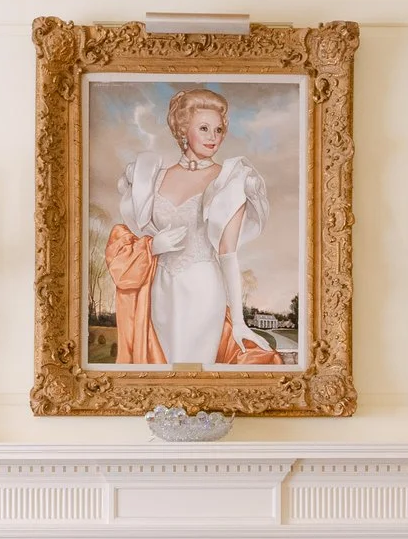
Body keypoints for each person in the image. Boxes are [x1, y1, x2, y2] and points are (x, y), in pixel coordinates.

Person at [102, 86, 277, 365]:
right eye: (204, 128)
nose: (213, 137)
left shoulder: (230, 181)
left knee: (195, 368)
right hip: (159, 288)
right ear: (184, 130)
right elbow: (133, 240)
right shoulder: (152, 178)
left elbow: (228, 254)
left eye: (218, 130)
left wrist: (240, 323)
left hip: (204, 289)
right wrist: (153, 246)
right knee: (163, 365)